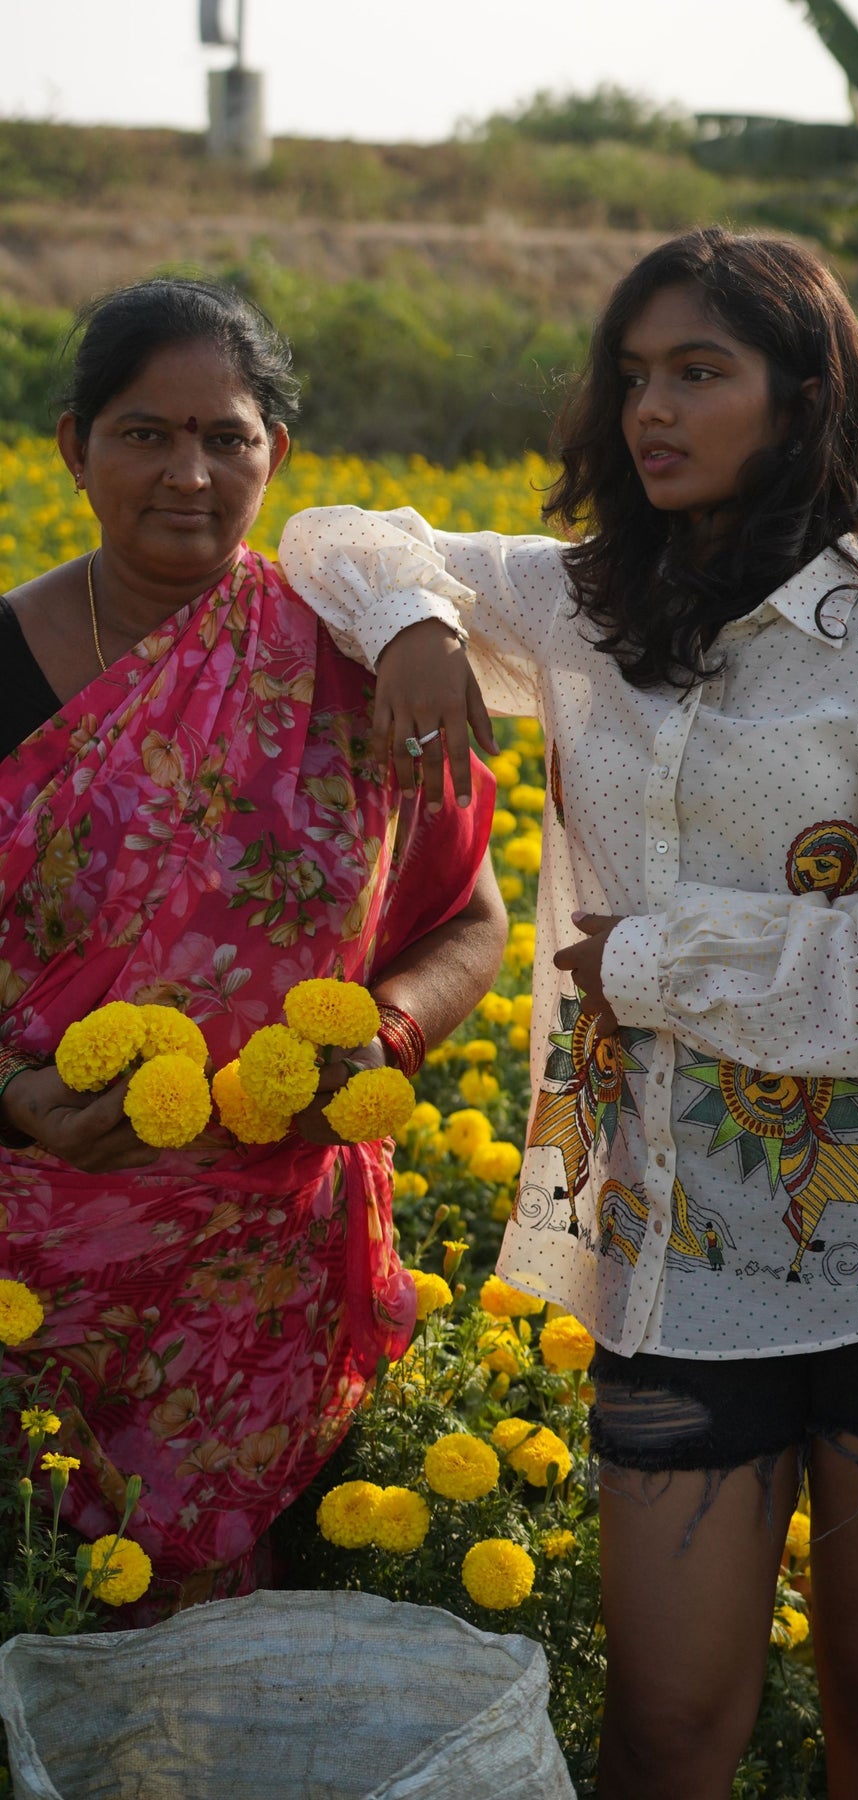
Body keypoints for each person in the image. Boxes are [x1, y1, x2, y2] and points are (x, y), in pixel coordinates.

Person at [278, 228, 858, 1800]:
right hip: (675, 1266)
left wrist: (645, 965)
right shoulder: (574, 606)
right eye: (636, 375)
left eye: (700, 373)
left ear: (799, 400)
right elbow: (330, 532)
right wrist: (421, 626)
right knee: (664, 1727)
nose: (653, 408)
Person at [0, 278, 506, 1612]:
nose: (190, 474)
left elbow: (471, 919)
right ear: (72, 446)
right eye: (145, 434)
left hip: (263, 1260)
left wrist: (386, 1041)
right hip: (30, 1245)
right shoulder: (4, 660)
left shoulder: (354, 657)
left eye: (228, 438)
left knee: (206, 1639)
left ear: (277, 455)